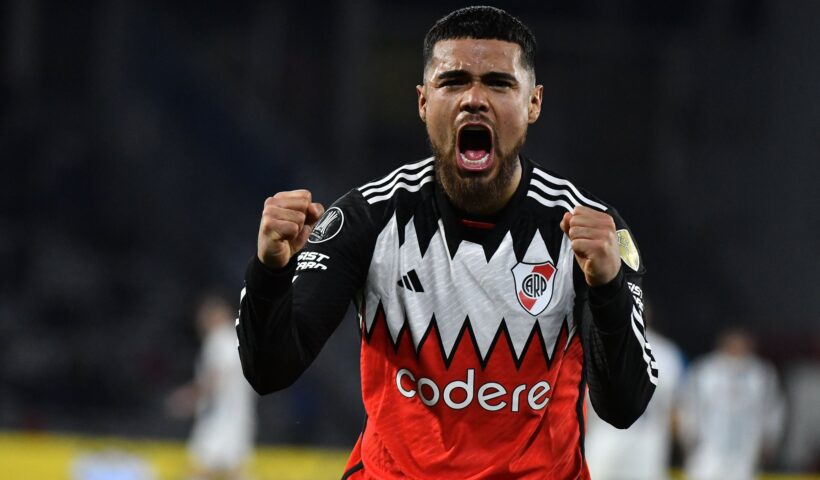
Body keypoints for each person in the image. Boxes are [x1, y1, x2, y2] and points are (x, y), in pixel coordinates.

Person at [236, 6, 656, 479]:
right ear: (423, 101)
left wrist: (607, 288)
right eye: (453, 82)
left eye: (498, 83)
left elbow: (624, 407)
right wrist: (270, 271)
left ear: (533, 103)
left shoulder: (588, 229)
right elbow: (268, 371)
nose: (474, 99)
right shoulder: (367, 218)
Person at [167, 293, 257, 480]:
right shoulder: (240, 340)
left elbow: (215, 376)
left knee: (198, 471)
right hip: (239, 419)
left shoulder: (219, 339)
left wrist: (190, 397)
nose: (201, 322)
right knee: (234, 473)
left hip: (218, 420)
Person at [678, 328, 784, 480]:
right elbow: (689, 405)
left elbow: (773, 410)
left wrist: (769, 440)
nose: (736, 347)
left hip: (746, 450)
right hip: (707, 449)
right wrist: (687, 437)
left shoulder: (762, 374)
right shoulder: (705, 370)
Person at [584, 322, 686, 480]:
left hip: (607, 441)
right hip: (646, 445)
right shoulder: (667, 353)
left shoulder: (594, 342)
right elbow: (674, 412)